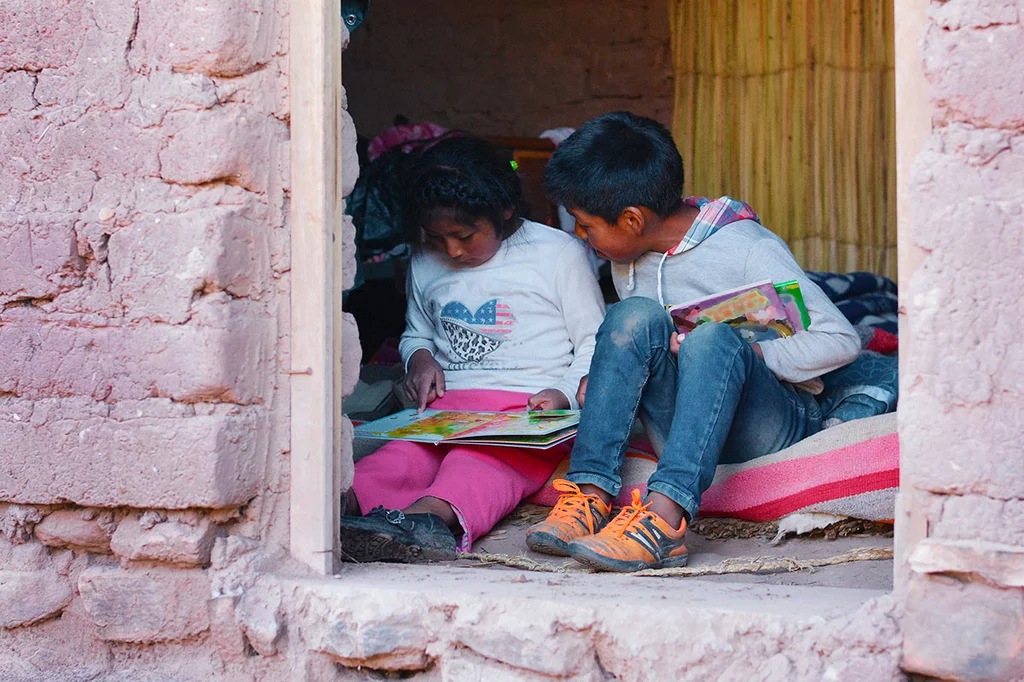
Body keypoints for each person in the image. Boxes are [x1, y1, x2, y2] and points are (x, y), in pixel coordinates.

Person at [525, 112, 861, 572]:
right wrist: (603, 382)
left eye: (586, 226)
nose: (583, 238)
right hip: (683, 423)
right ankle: (590, 494)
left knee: (710, 341)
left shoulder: (747, 248)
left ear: (631, 219)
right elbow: (640, 347)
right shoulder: (627, 261)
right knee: (631, 315)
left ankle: (664, 519)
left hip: (766, 424)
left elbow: (841, 340)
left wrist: (753, 351)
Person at [340, 136, 606, 563]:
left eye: (465, 235)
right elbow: (416, 333)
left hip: (526, 415)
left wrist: (562, 392)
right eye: (437, 237)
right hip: (446, 413)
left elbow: (595, 339)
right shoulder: (425, 258)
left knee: (476, 461)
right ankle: (346, 511)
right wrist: (419, 359)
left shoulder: (557, 254)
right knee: (400, 458)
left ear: (505, 211)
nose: (452, 250)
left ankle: (422, 523)